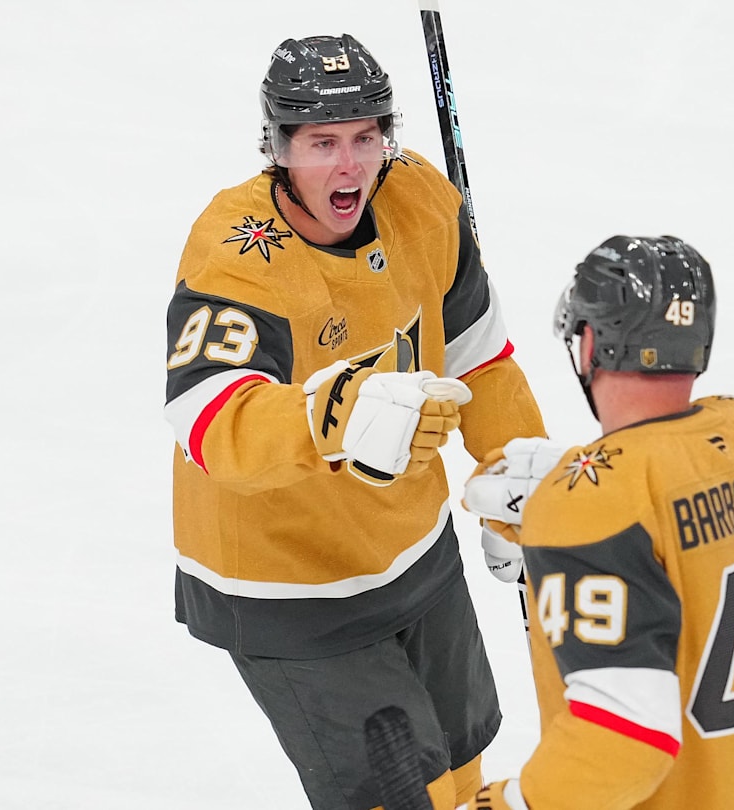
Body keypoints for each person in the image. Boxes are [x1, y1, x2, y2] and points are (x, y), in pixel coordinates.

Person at [162, 34, 545, 810]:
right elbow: (211, 422)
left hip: (414, 550)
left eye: (366, 138)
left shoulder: (420, 200)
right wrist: (333, 415)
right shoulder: (238, 251)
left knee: (463, 774)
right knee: (405, 798)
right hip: (287, 581)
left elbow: (480, 360)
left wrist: (513, 478)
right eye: (323, 143)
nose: (350, 166)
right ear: (278, 148)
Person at [460, 236, 734, 809]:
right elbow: (688, 524)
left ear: (590, 344)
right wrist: (572, 491)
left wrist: (506, 804)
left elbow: (623, 740)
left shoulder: (591, 505)